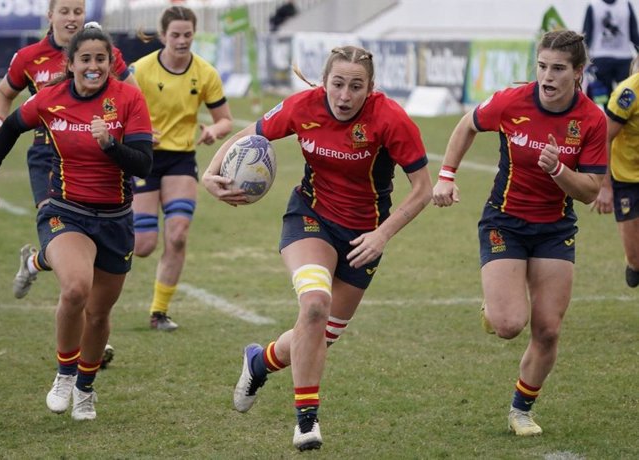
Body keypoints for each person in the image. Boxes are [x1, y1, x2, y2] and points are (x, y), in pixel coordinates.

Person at [202, 46, 432, 451]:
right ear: (323, 82)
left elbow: (422, 190)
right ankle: (306, 421)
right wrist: (210, 172)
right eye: (337, 84)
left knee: (319, 336)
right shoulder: (303, 105)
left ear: (371, 88)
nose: (344, 96)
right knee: (313, 306)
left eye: (355, 87)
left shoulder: (390, 119)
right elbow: (250, 132)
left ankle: (259, 361)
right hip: (310, 217)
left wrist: (383, 235)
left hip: (365, 235)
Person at [0, 23, 153, 420]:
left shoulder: (128, 99)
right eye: (85, 59)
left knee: (100, 314)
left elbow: (143, 163)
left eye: (101, 59)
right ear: (70, 64)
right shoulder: (50, 98)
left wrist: (111, 145)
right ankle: (65, 374)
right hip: (66, 209)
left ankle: (86, 389)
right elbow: (11, 130)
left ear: (110, 63)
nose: (94, 66)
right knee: (75, 290)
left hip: (116, 218)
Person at [432, 30, 607, 437]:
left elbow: (591, 191)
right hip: (505, 222)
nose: (547, 76)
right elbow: (466, 125)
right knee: (509, 324)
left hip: (555, 229)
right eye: (542, 66)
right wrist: (446, 175)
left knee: (547, 329)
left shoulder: (592, 120)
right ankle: (494, 308)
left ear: (578, 73)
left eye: (558, 69)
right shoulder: (512, 101)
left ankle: (521, 411)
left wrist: (558, 169)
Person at [0, 0, 138, 303]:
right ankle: (78, 306)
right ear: (50, 15)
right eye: (64, 11)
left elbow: (134, 91)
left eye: (78, 12)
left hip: (99, 153)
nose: (72, 18)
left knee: (94, 245)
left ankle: (36, 265)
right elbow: (4, 93)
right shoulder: (29, 57)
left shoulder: (104, 54)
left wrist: (135, 130)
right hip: (47, 154)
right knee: (60, 230)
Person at [129, 5, 233, 331]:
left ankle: (159, 312)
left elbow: (225, 119)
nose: (182, 40)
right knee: (143, 246)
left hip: (180, 160)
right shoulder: (140, 71)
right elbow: (118, 112)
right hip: (144, 158)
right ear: (162, 36)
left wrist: (212, 132)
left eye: (187, 34)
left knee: (177, 236)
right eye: (175, 35)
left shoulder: (205, 73)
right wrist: (139, 132)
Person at [590, 55, 639, 287]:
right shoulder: (628, 94)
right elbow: (603, 138)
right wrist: (605, 186)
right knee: (636, 260)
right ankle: (634, 265)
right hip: (627, 179)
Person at [582, 0, 639, 105]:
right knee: (604, 98)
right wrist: (582, 59)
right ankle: (609, 119)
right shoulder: (593, 6)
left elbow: (634, 34)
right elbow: (586, 36)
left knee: (628, 97)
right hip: (601, 58)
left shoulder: (626, 5)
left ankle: (621, 118)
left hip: (623, 58)